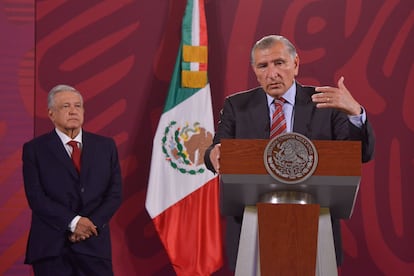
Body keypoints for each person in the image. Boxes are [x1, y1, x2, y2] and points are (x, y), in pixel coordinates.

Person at [204, 35, 375, 269]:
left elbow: (361, 154)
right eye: (263, 66)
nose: (272, 73)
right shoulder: (237, 106)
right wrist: (213, 153)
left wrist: (355, 113)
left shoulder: (325, 103)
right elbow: (217, 148)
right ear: (255, 70)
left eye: (279, 63)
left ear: (295, 65)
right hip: (252, 230)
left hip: (315, 227)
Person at [22, 84, 122, 275]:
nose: (73, 111)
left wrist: (89, 224)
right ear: (51, 114)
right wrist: (74, 222)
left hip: (94, 246)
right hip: (52, 249)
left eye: (78, 106)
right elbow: (36, 198)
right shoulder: (35, 149)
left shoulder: (106, 147)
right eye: (66, 106)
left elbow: (114, 194)